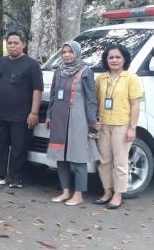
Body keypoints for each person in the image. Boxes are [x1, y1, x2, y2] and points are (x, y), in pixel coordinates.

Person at [0, 31, 43, 188]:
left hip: (21, 115)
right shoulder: (1, 63)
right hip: (0, 113)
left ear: (24, 44)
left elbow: (37, 89)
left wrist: (34, 112)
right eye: (9, 43)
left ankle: (16, 178)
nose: (12, 46)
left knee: (18, 147)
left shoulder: (32, 64)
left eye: (16, 43)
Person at [46, 41, 100, 206]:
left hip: (78, 120)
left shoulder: (86, 71)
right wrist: (49, 115)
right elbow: (54, 95)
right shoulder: (59, 71)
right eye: (64, 52)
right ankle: (65, 192)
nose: (67, 55)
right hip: (59, 119)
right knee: (60, 158)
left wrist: (92, 120)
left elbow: (91, 98)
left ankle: (78, 195)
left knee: (78, 159)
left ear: (77, 53)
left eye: (70, 52)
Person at [94, 44, 142, 209]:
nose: (114, 60)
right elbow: (96, 102)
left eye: (117, 57)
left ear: (124, 59)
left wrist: (132, 128)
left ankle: (118, 194)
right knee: (104, 161)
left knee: (120, 161)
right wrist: (94, 120)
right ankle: (107, 191)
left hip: (122, 125)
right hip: (104, 124)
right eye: (111, 57)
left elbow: (135, 105)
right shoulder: (100, 79)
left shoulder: (131, 78)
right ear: (106, 60)